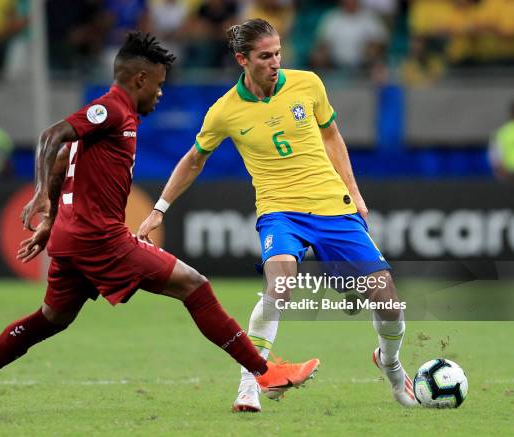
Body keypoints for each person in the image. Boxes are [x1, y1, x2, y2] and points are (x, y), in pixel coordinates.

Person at [0, 31, 319, 416]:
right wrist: (40, 196)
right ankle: (263, 372)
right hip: (99, 237)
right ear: (139, 79)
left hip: (72, 238)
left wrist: (52, 218)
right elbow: (52, 137)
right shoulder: (112, 109)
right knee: (194, 285)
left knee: (51, 319)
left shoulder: (116, 116)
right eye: (158, 84)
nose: (160, 93)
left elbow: (62, 158)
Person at [137, 19, 416, 413]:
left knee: (388, 300)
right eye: (265, 56)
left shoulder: (308, 84)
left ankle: (390, 364)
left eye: (278, 53)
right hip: (279, 212)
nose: (275, 62)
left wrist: (353, 191)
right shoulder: (225, 111)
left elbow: (332, 135)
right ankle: (248, 384)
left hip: (332, 207)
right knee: (280, 283)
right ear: (242, 60)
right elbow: (194, 160)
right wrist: (158, 210)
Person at [489, 101, 514, 183]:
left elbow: (495, 159)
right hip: (508, 178)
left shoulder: (501, 133)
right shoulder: (501, 134)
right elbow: (496, 160)